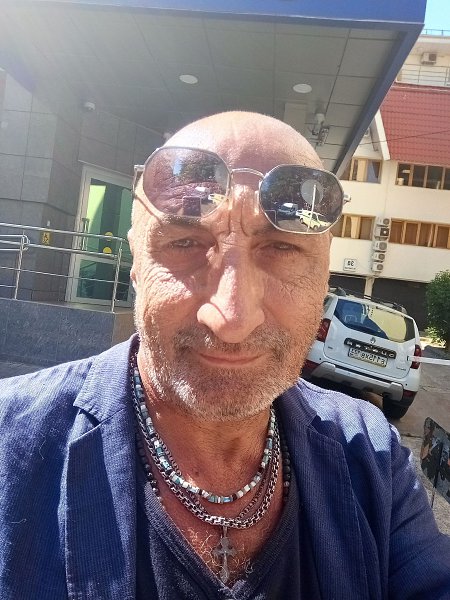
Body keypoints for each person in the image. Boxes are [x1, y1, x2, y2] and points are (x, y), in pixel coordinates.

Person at [0, 111, 449, 600]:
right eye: (185, 243)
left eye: (281, 248)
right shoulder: (10, 441)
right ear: (135, 265)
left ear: (324, 277)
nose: (232, 319)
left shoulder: (370, 455)